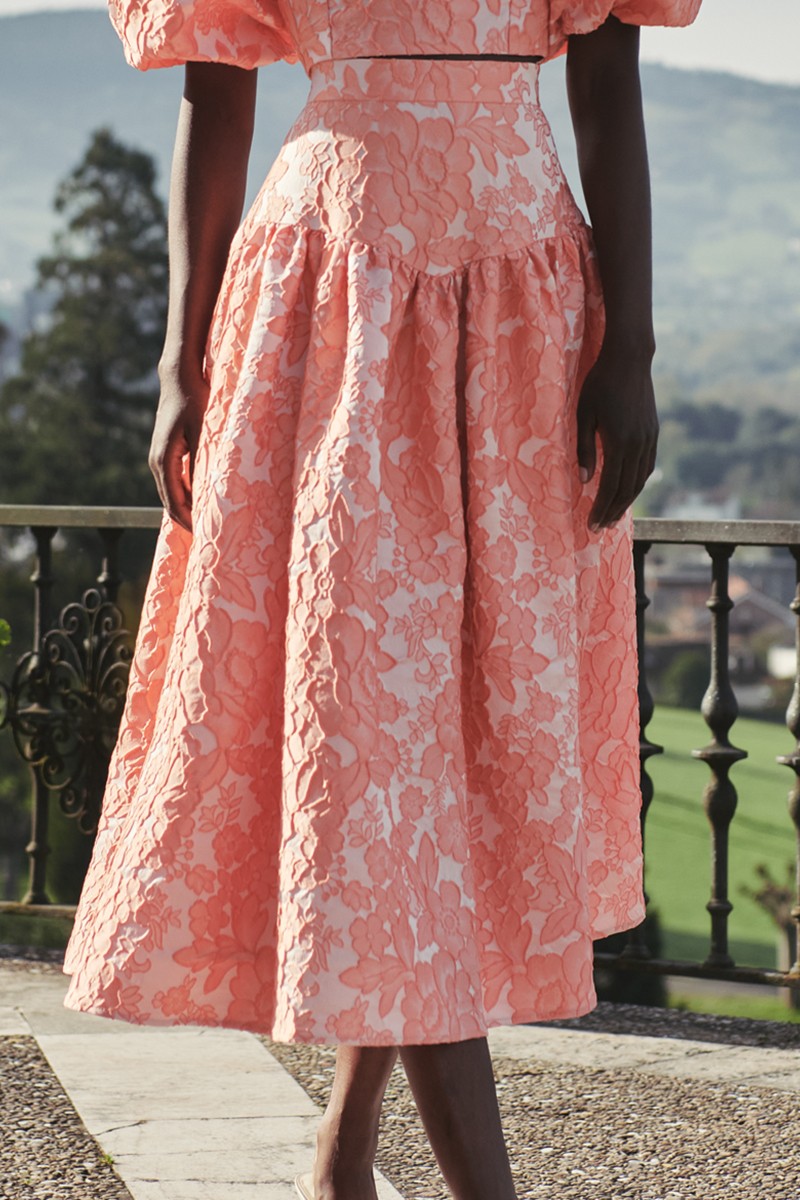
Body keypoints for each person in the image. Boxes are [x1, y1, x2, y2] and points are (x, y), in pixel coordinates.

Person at [63, 1, 702, 1197]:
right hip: (327, 306)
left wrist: (631, 352)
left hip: (522, 316)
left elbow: (607, 92)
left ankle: (341, 1148)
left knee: (439, 753)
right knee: (373, 734)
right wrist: (177, 358)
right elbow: (216, 96)